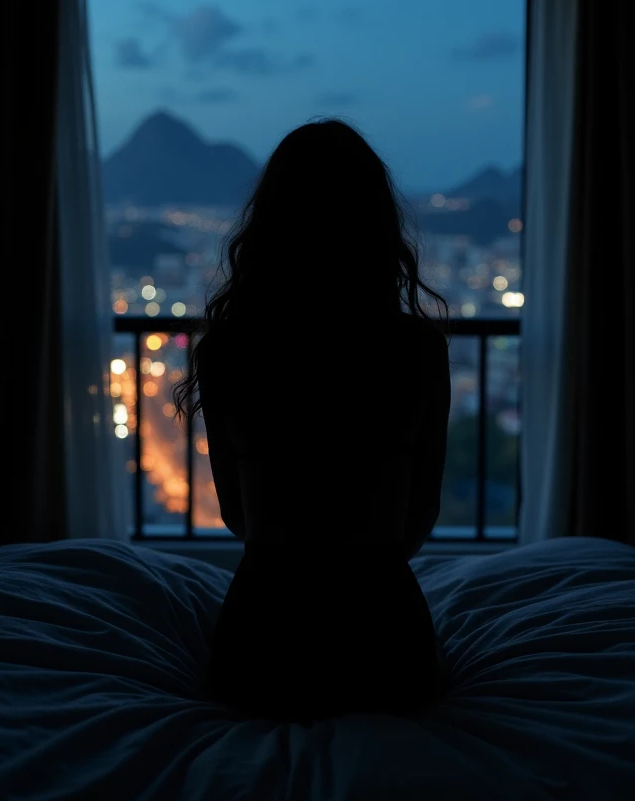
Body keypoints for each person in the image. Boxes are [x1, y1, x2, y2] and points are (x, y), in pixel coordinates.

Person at [173, 119, 451, 723]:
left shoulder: (228, 350)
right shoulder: (420, 350)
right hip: (387, 643)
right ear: (379, 228)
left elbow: (238, 518)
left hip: (263, 642)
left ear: (267, 226)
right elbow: (419, 518)